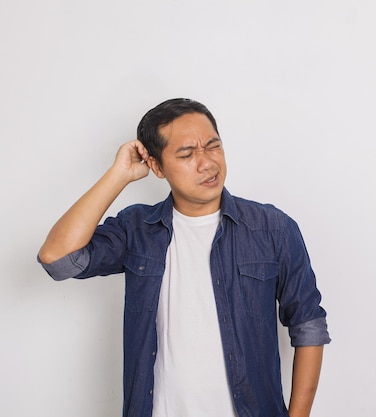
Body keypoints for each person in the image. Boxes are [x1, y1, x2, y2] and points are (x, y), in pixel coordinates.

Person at [37, 98, 331, 417]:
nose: (207, 163)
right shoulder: (137, 229)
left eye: (213, 146)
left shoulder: (272, 228)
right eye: (187, 154)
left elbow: (308, 324)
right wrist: (119, 174)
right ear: (157, 167)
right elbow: (58, 259)